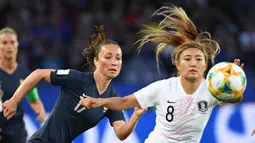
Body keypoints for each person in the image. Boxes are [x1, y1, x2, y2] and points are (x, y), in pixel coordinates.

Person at [78, 5, 244, 143]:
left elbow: (235, 100)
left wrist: (234, 84)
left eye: (198, 59)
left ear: (205, 65)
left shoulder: (210, 90)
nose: (193, 63)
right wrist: (99, 101)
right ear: (177, 63)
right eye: (187, 58)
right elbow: (124, 101)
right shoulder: (163, 88)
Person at [2, 26, 146, 143]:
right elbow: (39, 73)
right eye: (108, 57)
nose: (114, 62)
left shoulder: (111, 99)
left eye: (118, 58)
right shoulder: (77, 78)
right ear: (96, 60)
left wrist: (136, 116)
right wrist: (15, 100)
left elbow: (121, 133)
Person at [0, 27, 46, 143]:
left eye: (12, 42)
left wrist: (40, 112)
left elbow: (33, 99)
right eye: (4, 43)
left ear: (17, 44)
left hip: (17, 131)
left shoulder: (24, 74)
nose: (9, 46)